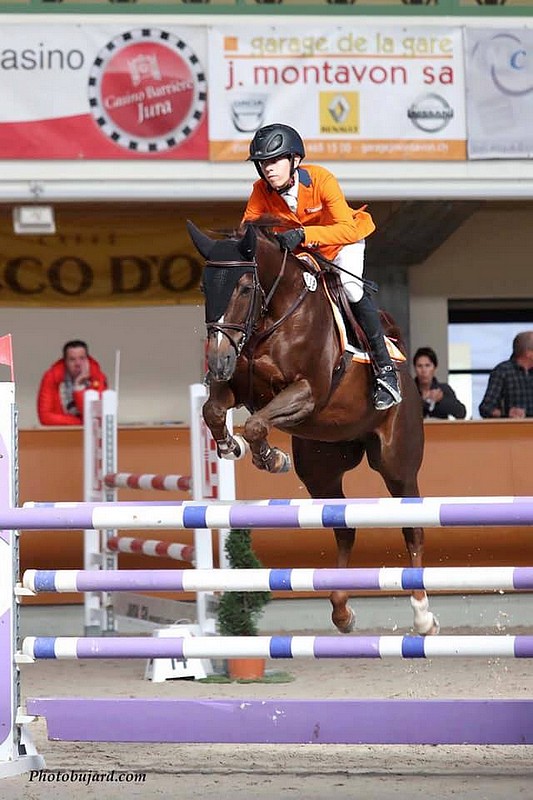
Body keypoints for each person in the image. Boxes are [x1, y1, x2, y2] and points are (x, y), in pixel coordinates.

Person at [242, 123, 402, 411]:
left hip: (343, 244)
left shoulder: (321, 179)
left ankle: (385, 371)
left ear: (295, 160)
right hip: (303, 252)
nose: (269, 168)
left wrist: (305, 235)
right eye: (263, 163)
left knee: (351, 290)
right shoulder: (260, 192)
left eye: (275, 160)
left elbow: (347, 230)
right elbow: (249, 235)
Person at [37, 340, 108, 426]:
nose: (78, 363)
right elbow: (45, 417)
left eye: (82, 358)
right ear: (65, 362)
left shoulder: (98, 377)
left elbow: (97, 417)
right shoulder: (51, 377)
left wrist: (78, 388)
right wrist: (80, 423)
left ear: (87, 360)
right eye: (72, 359)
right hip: (61, 434)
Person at [479, 331, 533, 419]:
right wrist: (507, 414)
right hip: (513, 430)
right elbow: (486, 408)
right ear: (529, 354)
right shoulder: (503, 371)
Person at [413, 347, 467, 420]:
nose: (424, 370)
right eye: (419, 366)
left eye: (427, 365)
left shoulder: (444, 389)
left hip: (441, 430)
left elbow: (461, 412)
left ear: (434, 368)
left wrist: (440, 400)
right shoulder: (408, 390)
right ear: (415, 368)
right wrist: (424, 401)